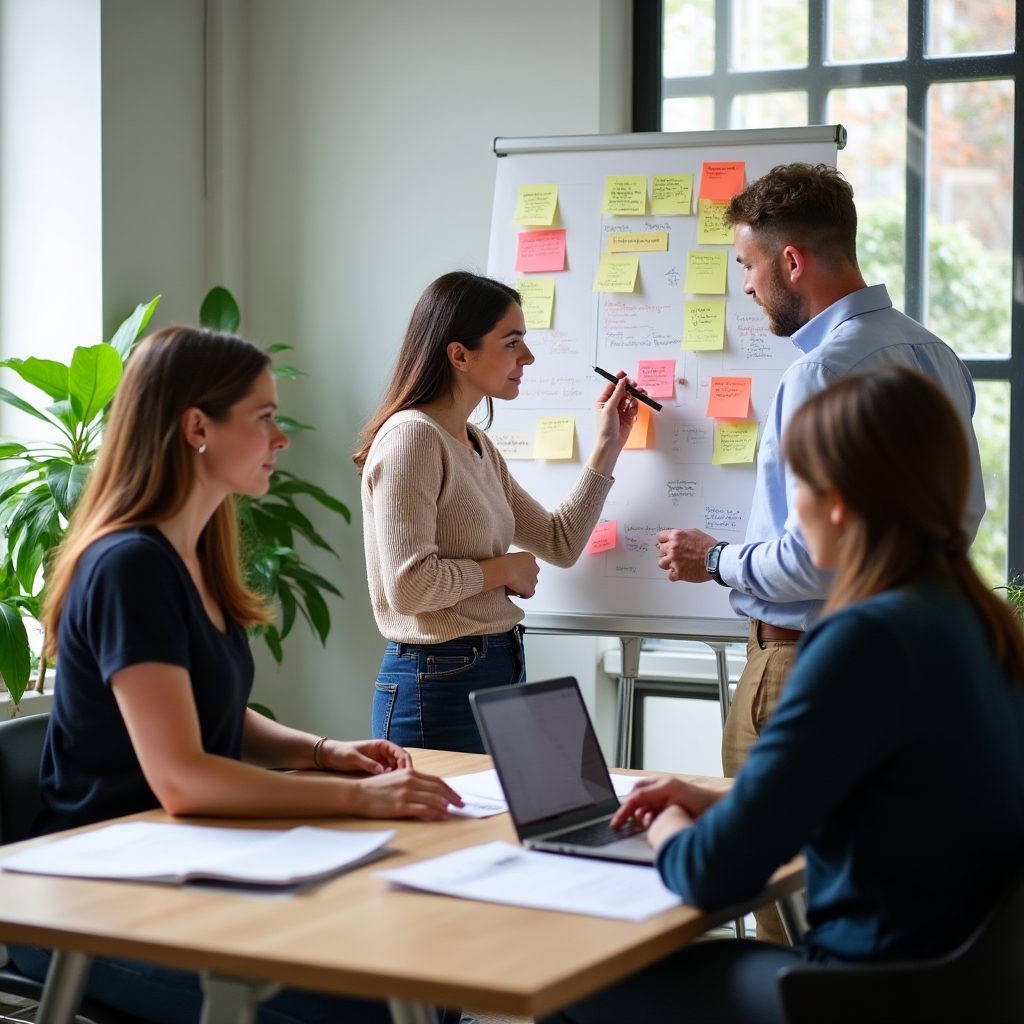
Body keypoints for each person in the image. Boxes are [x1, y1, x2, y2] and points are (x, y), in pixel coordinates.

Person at [542, 366, 1024, 1024]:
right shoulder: (976, 622)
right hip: (961, 985)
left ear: (838, 502)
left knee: (569, 984)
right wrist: (718, 800)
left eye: (796, 485)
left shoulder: (863, 640)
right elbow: (879, 796)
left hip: (859, 992)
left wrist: (666, 822)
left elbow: (712, 874)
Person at [10, 326, 463, 1024]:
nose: (281, 439)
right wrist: (359, 800)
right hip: (94, 901)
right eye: (264, 417)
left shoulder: (194, 555)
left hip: (186, 860)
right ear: (198, 428)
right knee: (375, 1006)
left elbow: (210, 713)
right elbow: (183, 778)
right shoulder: (129, 566)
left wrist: (323, 752)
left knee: (420, 974)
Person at [654, 163, 985, 942]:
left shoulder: (821, 372)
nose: (745, 285)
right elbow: (959, 514)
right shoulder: (934, 353)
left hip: (798, 658)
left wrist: (717, 559)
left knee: (784, 923)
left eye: (747, 264)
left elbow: (815, 556)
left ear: (792, 260)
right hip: (946, 967)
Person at [355, 271, 637, 753]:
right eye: (511, 343)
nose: (527, 357)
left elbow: (560, 542)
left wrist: (608, 444)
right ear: (459, 355)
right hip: (438, 679)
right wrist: (503, 570)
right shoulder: (412, 438)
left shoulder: (476, 444)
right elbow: (409, 587)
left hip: (495, 663)